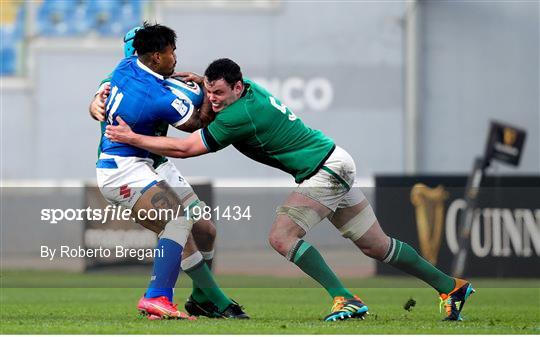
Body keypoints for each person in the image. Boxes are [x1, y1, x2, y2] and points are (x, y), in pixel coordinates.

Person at [105, 58, 475, 322]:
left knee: (282, 237)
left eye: (218, 93)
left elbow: (185, 149)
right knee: (377, 245)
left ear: (237, 87)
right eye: (208, 91)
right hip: (334, 161)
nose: (212, 101)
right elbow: (218, 92)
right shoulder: (248, 90)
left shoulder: (238, 116)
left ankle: (344, 298)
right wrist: (202, 80)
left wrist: (131, 137)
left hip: (323, 171)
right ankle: (450, 286)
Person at [90, 26, 248, 320]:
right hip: (124, 169)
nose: (175, 57)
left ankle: (199, 298)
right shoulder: (156, 96)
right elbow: (196, 124)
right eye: (172, 52)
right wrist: (206, 93)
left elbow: (99, 98)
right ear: (155, 55)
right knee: (177, 221)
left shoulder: (123, 68)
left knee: (205, 231)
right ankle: (162, 296)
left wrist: (94, 102)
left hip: (153, 163)